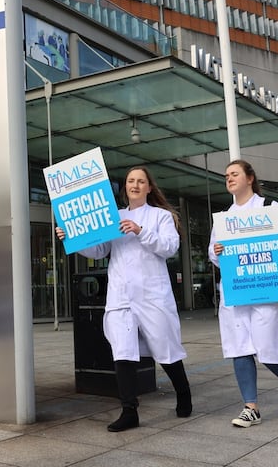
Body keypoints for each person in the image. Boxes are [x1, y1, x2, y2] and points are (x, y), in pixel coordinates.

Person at [56, 166, 191, 432]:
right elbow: (100, 248)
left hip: (152, 294)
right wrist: (72, 238)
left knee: (166, 349)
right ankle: (129, 410)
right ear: (124, 187)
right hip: (120, 295)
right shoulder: (113, 216)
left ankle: (183, 393)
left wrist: (141, 231)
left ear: (149, 187)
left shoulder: (160, 216)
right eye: (131, 181)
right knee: (123, 351)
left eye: (141, 181)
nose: (135, 185)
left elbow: (170, 248)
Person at [209, 159, 278, 428]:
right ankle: (251, 407)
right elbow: (214, 255)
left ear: (250, 178)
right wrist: (216, 253)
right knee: (239, 347)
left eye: (234, 174)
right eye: (226, 175)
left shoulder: (270, 209)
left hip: (266, 289)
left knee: (267, 347)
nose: (229, 178)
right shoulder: (223, 219)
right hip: (236, 292)